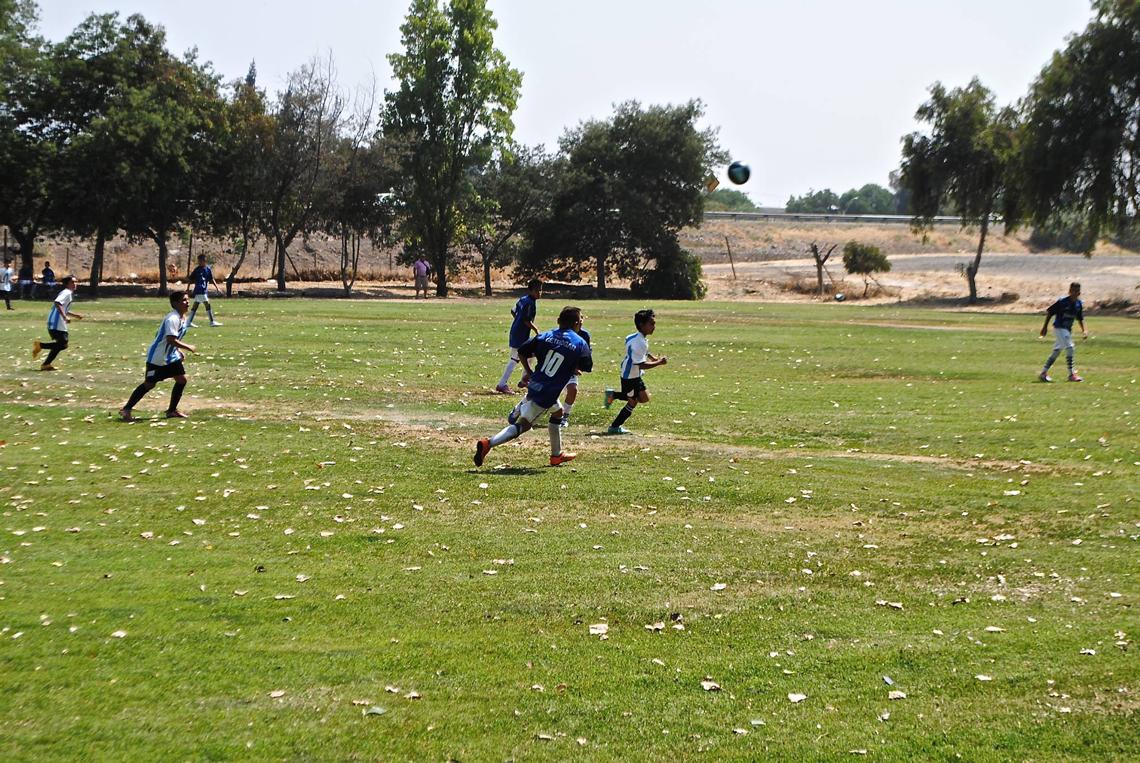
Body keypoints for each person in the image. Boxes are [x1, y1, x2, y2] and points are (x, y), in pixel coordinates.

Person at [475, 305, 592, 468]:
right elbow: (587, 366)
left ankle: (556, 455)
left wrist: (529, 371)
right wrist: (571, 364)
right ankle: (489, 443)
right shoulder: (580, 342)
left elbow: (522, 351)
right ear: (578, 324)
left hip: (536, 383)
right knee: (524, 425)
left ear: (558, 321)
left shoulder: (545, 336)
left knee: (558, 413)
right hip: (548, 392)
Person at [119, 291, 197, 421]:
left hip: (171, 357)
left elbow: (170, 339)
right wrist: (188, 347)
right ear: (175, 303)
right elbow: (171, 339)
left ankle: (171, 411)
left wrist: (177, 351)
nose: (187, 302)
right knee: (149, 384)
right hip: (158, 358)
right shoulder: (172, 318)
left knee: (181, 380)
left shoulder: (182, 318)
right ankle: (126, 409)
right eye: (184, 300)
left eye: (187, 300)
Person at [604, 309, 668, 435]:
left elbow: (638, 350)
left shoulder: (635, 337)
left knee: (643, 398)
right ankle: (614, 426)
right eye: (651, 324)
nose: (654, 327)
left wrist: (651, 357)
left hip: (632, 374)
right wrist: (659, 363)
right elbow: (641, 365)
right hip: (630, 376)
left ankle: (613, 395)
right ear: (641, 325)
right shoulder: (640, 342)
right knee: (633, 401)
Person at [495, 278, 542, 394]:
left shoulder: (523, 299)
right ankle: (502, 384)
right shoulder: (530, 303)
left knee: (530, 355)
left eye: (540, 290)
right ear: (530, 291)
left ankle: (525, 380)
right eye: (537, 290)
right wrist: (536, 330)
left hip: (516, 331)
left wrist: (517, 320)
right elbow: (526, 320)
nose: (539, 293)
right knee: (515, 358)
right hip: (520, 334)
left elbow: (513, 310)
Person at [32, 274, 83, 371]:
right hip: (56, 322)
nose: (75, 284)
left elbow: (63, 308)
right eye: (73, 282)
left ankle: (46, 365)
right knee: (63, 344)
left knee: (60, 345)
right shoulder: (66, 293)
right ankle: (40, 345)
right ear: (67, 284)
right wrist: (64, 317)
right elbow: (57, 303)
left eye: (76, 282)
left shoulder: (67, 293)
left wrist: (75, 315)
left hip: (56, 322)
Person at [1039, 281, 1088, 382]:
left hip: (1067, 330)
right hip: (1059, 328)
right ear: (1069, 291)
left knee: (1056, 351)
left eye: (1077, 291)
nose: (1075, 293)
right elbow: (1050, 312)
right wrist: (1045, 327)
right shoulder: (1062, 302)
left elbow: (1080, 318)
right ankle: (1071, 374)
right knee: (1070, 347)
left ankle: (1043, 373)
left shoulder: (1078, 304)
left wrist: (1084, 330)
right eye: (1073, 291)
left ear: (1079, 292)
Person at [556, 321, 591, 428]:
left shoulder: (584, 335)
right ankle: (521, 407)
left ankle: (564, 416)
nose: (580, 323)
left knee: (573, 390)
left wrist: (577, 367)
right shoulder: (560, 334)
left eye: (582, 319)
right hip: (556, 367)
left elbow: (586, 353)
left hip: (571, 368)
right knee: (546, 391)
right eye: (578, 320)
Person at [187, 254, 222, 327]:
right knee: (207, 304)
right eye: (199, 261)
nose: (199, 262)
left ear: (205, 261)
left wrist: (217, 287)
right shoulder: (197, 270)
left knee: (195, 306)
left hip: (203, 291)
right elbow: (191, 279)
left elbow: (211, 279)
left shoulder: (207, 269)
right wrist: (187, 288)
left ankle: (189, 322)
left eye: (201, 261)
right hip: (200, 290)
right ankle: (212, 322)